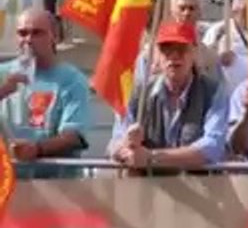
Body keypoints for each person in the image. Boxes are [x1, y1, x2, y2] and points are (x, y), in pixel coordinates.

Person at [108, 21, 229, 172]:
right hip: (148, 184)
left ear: (194, 52)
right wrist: (126, 146)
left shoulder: (213, 92)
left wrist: (152, 158)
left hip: (199, 183)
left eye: (181, 49)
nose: (174, 56)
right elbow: (115, 143)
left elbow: (212, 147)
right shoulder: (137, 94)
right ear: (156, 55)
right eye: (166, 49)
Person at [0, 9, 90, 179]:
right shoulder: (3, 74)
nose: (28, 40)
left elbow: (73, 136)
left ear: (54, 37)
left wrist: (37, 149)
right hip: (7, 183)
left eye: (37, 33)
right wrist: (2, 92)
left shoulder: (72, 80)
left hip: (57, 184)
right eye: (22, 33)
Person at [203, 0, 248, 93]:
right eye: (247, 12)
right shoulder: (220, 30)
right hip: (230, 91)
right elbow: (206, 60)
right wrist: (219, 57)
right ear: (234, 12)